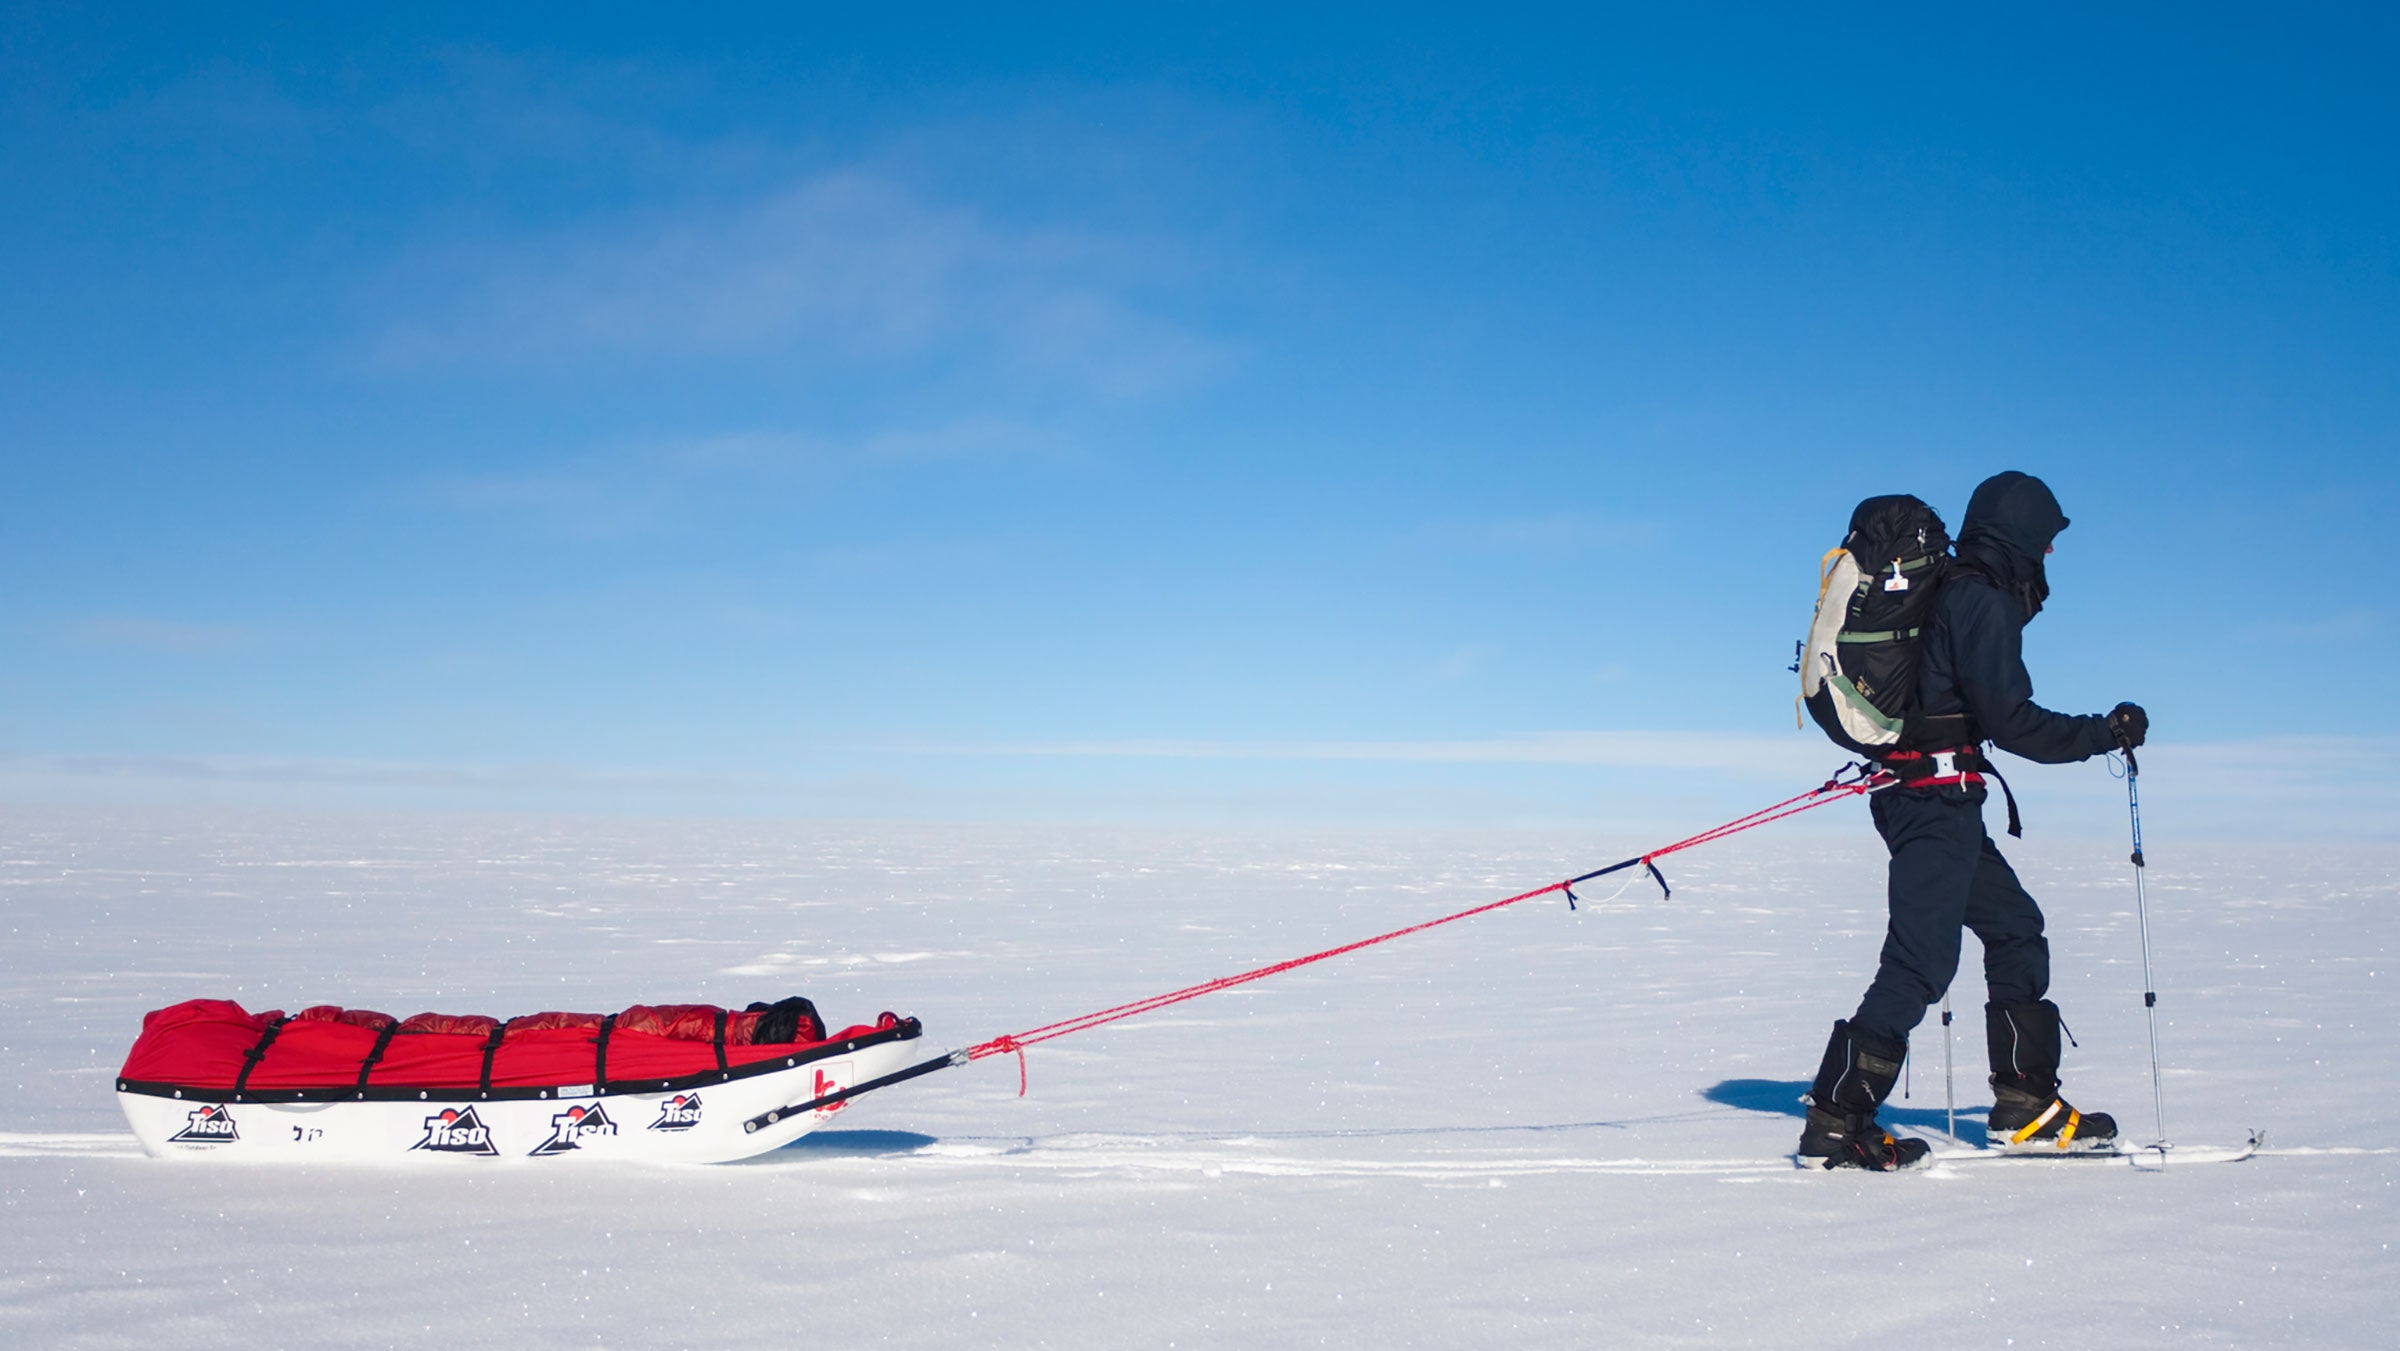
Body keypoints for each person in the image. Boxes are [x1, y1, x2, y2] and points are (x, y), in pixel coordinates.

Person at [1799, 471, 2148, 1170]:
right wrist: (2102, 733)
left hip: (1939, 796)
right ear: (2016, 533)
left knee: (2015, 928)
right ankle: (1836, 1121)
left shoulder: (1963, 590)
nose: (2050, 553)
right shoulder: (1979, 599)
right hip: (1931, 800)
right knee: (1921, 962)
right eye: (2045, 538)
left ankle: (2025, 1104)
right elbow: (2013, 722)